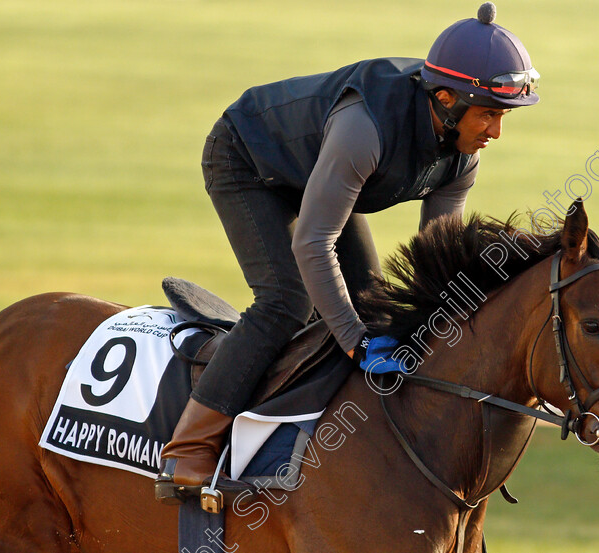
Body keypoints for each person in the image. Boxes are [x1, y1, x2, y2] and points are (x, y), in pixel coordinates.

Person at [155, 1, 539, 502]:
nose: (496, 132)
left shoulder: (462, 157)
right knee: (286, 301)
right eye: (489, 114)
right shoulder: (365, 130)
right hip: (248, 162)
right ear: (446, 98)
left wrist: (434, 337)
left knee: (370, 301)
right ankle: (188, 446)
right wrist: (358, 343)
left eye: (503, 116)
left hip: (320, 174)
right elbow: (312, 241)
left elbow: (436, 262)